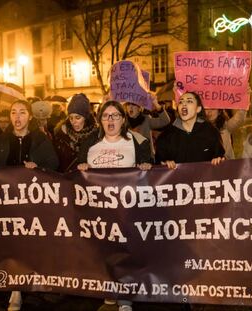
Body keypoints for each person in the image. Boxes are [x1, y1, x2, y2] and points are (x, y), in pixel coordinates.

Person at [0, 99, 58, 311]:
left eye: (22, 112)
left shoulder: (40, 139)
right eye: (14, 112)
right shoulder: (2, 139)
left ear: (29, 116)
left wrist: (38, 167)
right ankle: (16, 291)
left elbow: (53, 164)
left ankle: (37, 275)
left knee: (32, 242)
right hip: (10, 202)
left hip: (34, 202)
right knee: (14, 244)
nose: (17, 117)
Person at [77, 100, 152, 311]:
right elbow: (79, 174)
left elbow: (148, 170)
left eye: (115, 116)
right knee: (104, 253)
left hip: (126, 210)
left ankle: (126, 298)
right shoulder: (90, 144)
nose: (110, 120)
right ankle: (110, 291)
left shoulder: (136, 142)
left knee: (125, 253)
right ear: (100, 120)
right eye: (105, 116)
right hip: (99, 211)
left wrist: (146, 166)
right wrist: (82, 166)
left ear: (123, 119)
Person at [156, 92, 225, 169]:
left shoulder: (211, 131)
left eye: (189, 101)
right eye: (181, 102)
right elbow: (158, 164)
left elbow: (220, 157)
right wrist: (165, 163)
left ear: (198, 109)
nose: (184, 104)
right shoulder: (166, 136)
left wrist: (219, 160)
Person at [53, 93, 98, 172]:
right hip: (65, 180)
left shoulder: (97, 135)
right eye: (71, 118)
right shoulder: (60, 135)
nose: (74, 122)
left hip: (87, 181)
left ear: (85, 117)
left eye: (78, 117)